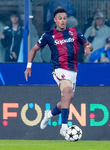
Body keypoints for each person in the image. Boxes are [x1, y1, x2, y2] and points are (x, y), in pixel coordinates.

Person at [24, 7, 93, 138]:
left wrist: (87, 48)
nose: (62, 21)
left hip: (73, 71)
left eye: (64, 18)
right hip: (59, 70)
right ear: (55, 20)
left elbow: (89, 45)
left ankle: (49, 114)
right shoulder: (49, 35)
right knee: (67, 93)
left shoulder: (74, 32)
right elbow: (34, 49)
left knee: (67, 99)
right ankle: (64, 127)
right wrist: (28, 67)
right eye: (60, 19)